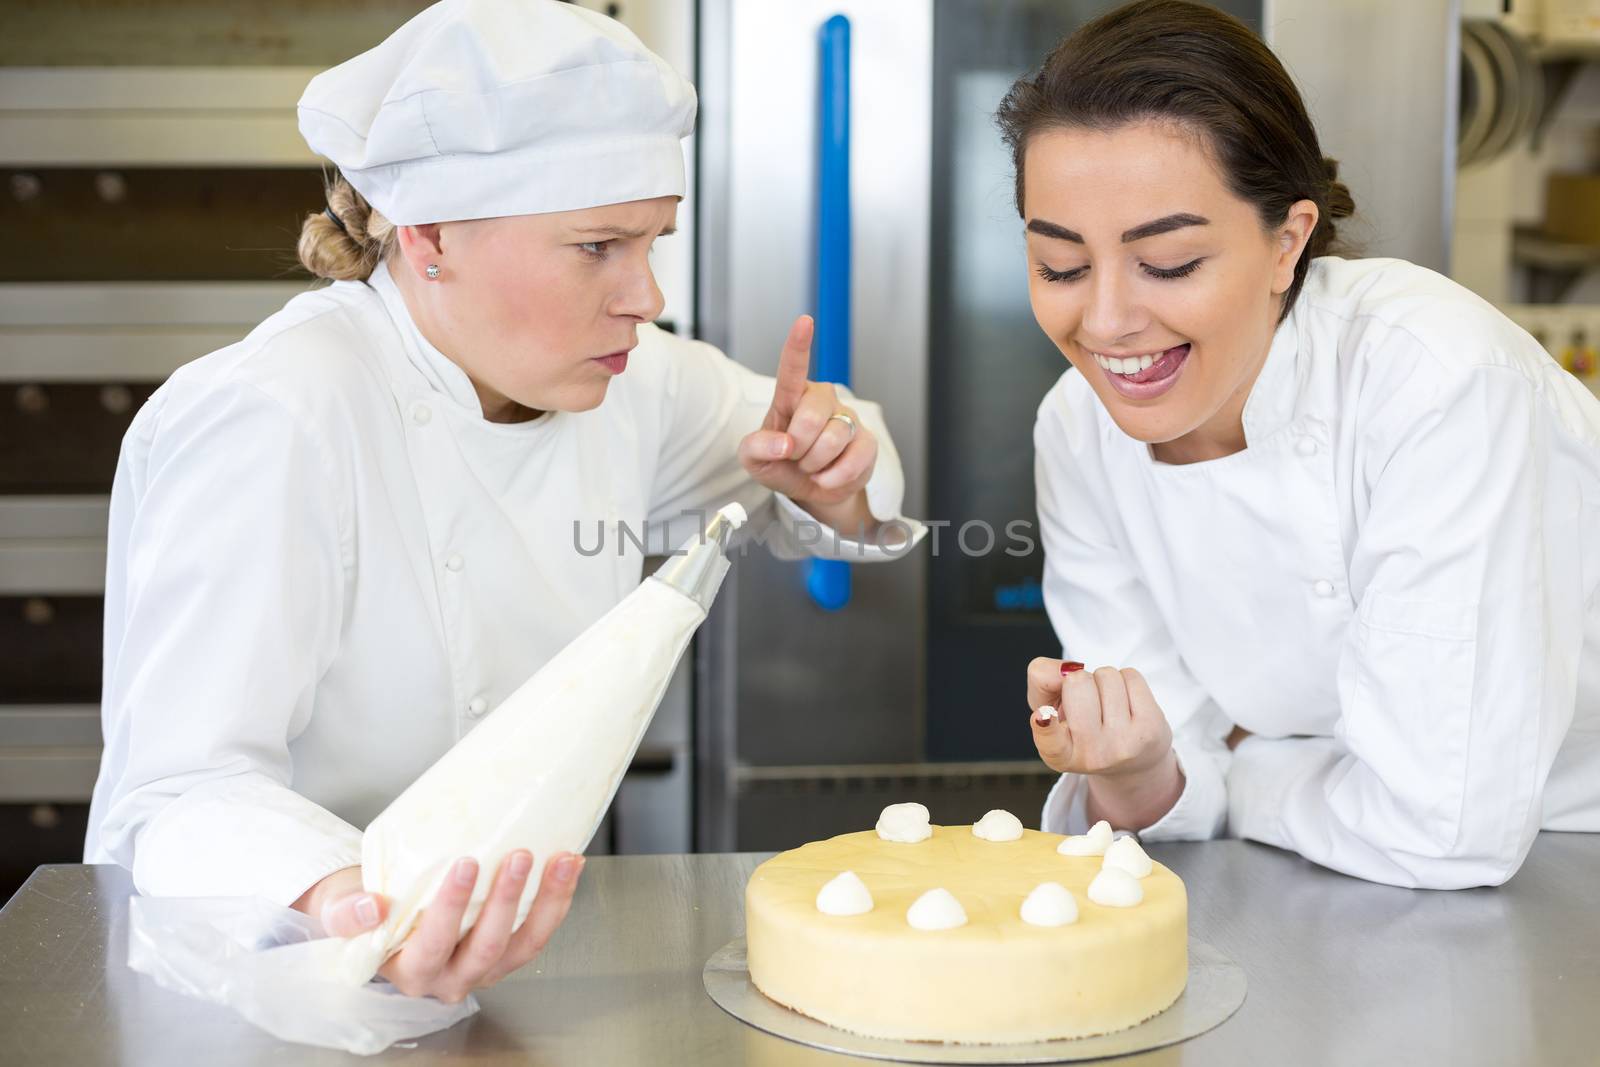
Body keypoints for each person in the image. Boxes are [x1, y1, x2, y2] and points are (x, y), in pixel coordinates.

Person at [84, 0, 922, 1003]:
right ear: (431, 236)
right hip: (271, 983)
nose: (645, 294)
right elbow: (176, 795)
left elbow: (849, 453)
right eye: (598, 246)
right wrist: (352, 904)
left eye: (654, 240)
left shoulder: (630, 378)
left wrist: (837, 472)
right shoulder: (276, 417)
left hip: (506, 970)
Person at [1008, 0, 1600, 889]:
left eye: (1167, 264)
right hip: (1321, 871)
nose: (1107, 321)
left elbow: (1445, 829)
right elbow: (1164, 772)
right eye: (1060, 265)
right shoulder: (1077, 427)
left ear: (1288, 242)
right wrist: (1135, 770)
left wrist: (1249, 761)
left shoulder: (1434, 381)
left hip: (1566, 856)